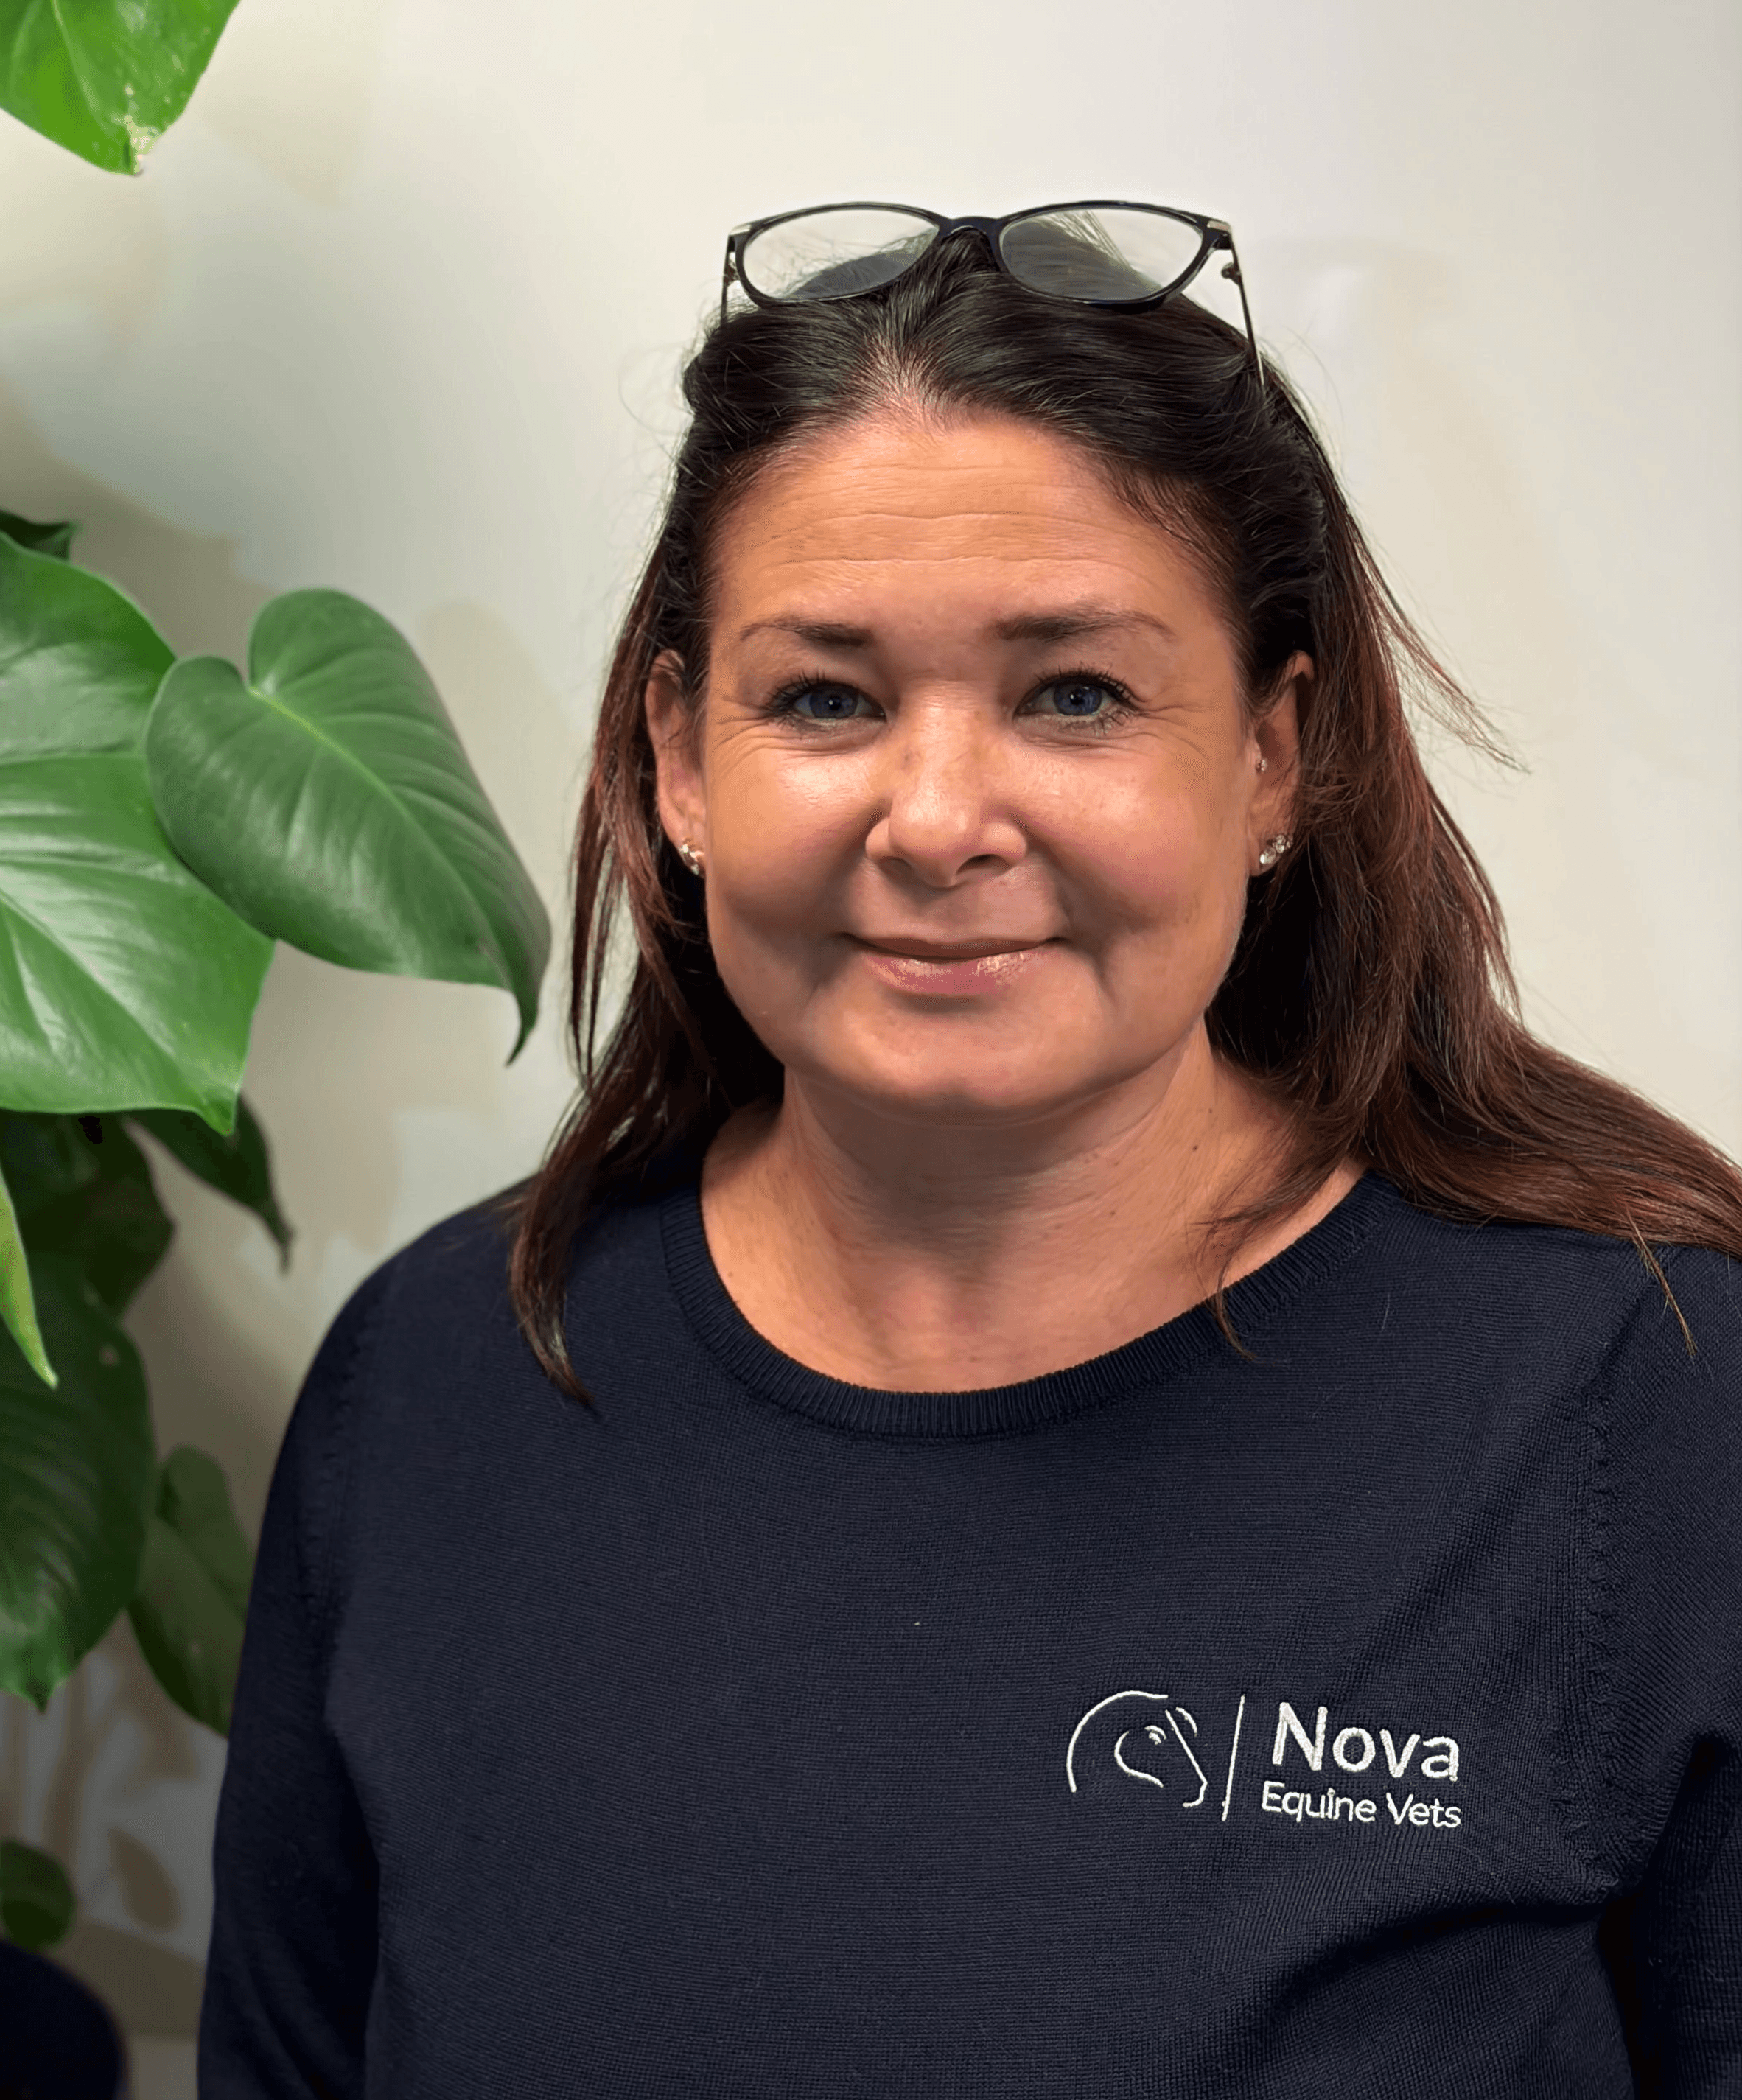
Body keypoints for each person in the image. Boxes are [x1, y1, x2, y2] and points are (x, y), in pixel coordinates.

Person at [200, 204, 1742, 2098]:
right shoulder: (442, 1382)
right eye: (826, 697)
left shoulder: (1640, 1396)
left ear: (1276, 754)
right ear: (683, 756)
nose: (939, 820)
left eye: (1074, 693)